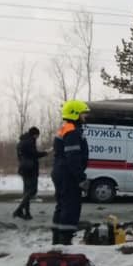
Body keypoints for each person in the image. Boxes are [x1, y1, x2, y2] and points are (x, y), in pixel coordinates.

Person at [51, 99, 90, 245]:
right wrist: (81, 178)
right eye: (83, 113)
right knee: (70, 207)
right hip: (68, 174)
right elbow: (73, 158)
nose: (85, 116)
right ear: (75, 114)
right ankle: (65, 240)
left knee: (61, 206)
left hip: (61, 172)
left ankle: (57, 239)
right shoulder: (72, 131)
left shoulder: (65, 128)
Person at [13, 126, 47, 220]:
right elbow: (34, 154)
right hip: (31, 169)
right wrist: (45, 153)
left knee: (27, 192)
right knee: (32, 191)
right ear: (35, 134)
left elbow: (21, 156)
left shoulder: (21, 141)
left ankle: (27, 213)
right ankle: (19, 210)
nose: (37, 137)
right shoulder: (30, 142)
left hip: (23, 168)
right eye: (37, 135)